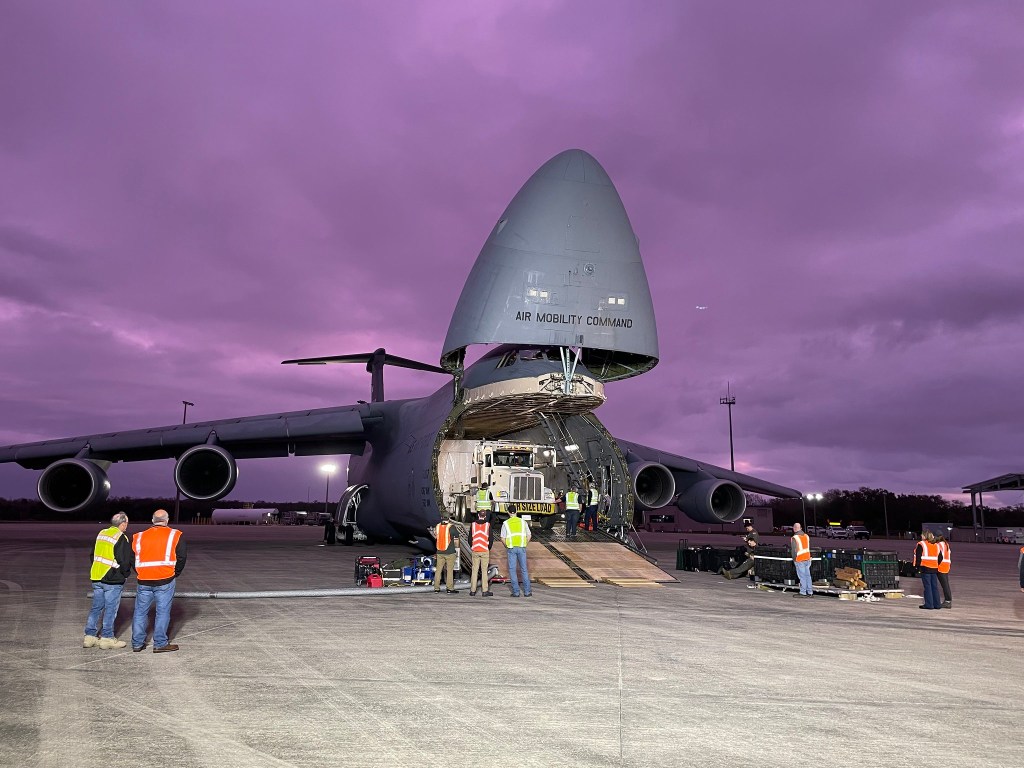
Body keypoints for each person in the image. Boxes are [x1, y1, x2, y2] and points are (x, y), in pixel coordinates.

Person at [132, 509, 187, 652]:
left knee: (140, 612)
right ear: (167, 520)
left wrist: (140, 571)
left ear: (152, 520)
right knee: (162, 612)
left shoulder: (138, 536)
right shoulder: (175, 535)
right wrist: (175, 573)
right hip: (165, 579)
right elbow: (182, 557)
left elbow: (132, 558)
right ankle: (160, 643)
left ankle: (137, 643)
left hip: (143, 579)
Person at [84, 511, 134, 650]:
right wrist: (124, 574)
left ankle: (90, 637)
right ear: (122, 524)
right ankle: (107, 638)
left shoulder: (102, 533)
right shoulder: (121, 537)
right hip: (112, 579)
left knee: (96, 608)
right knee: (111, 609)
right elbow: (124, 560)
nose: (127, 526)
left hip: (97, 576)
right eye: (126, 524)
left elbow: (92, 554)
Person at [501, 504, 532, 597]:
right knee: (524, 570)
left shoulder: (506, 523)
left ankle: (516, 592)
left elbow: (502, 538)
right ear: (516, 511)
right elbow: (529, 535)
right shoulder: (523, 522)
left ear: (508, 512)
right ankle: (527, 592)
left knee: (512, 570)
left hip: (511, 549)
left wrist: (507, 546)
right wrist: (524, 544)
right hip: (522, 548)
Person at [914, 530, 942, 610]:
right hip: (934, 568)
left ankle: (929, 604)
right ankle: (937, 604)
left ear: (925, 536)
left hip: (925, 568)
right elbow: (940, 557)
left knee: (927, 587)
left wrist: (917, 567)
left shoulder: (921, 544)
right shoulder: (936, 545)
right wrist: (936, 564)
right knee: (934, 587)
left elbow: (918, 557)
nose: (921, 537)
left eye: (922, 535)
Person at [432, 516, 459, 594]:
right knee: (449, 571)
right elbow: (456, 535)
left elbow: (435, 535)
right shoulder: (451, 527)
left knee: (438, 570)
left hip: (439, 552)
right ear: (449, 518)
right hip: (450, 552)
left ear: (441, 518)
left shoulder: (437, 526)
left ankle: (436, 588)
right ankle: (449, 588)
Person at [469, 509, 493, 596]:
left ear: (478, 515)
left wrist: (472, 546)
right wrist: (488, 547)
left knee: (474, 570)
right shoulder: (487, 525)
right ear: (485, 516)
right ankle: (485, 591)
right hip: (484, 550)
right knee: (484, 571)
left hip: (475, 550)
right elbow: (491, 539)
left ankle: (472, 590)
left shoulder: (473, 525)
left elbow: (469, 539)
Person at [791, 522, 813, 597]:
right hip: (807, 558)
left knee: (802, 576)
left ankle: (803, 592)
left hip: (799, 559)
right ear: (801, 528)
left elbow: (794, 551)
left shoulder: (795, 538)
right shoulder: (806, 536)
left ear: (794, 529)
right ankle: (810, 592)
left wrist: (794, 560)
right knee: (808, 576)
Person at [935, 534, 952, 608]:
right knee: (946, 584)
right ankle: (948, 600)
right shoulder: (946, 544)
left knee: (944, 585)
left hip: (941, 566)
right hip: (947, 565)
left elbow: (939, 556)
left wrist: (936, 565)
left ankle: (948, 601)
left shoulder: (938, 545)